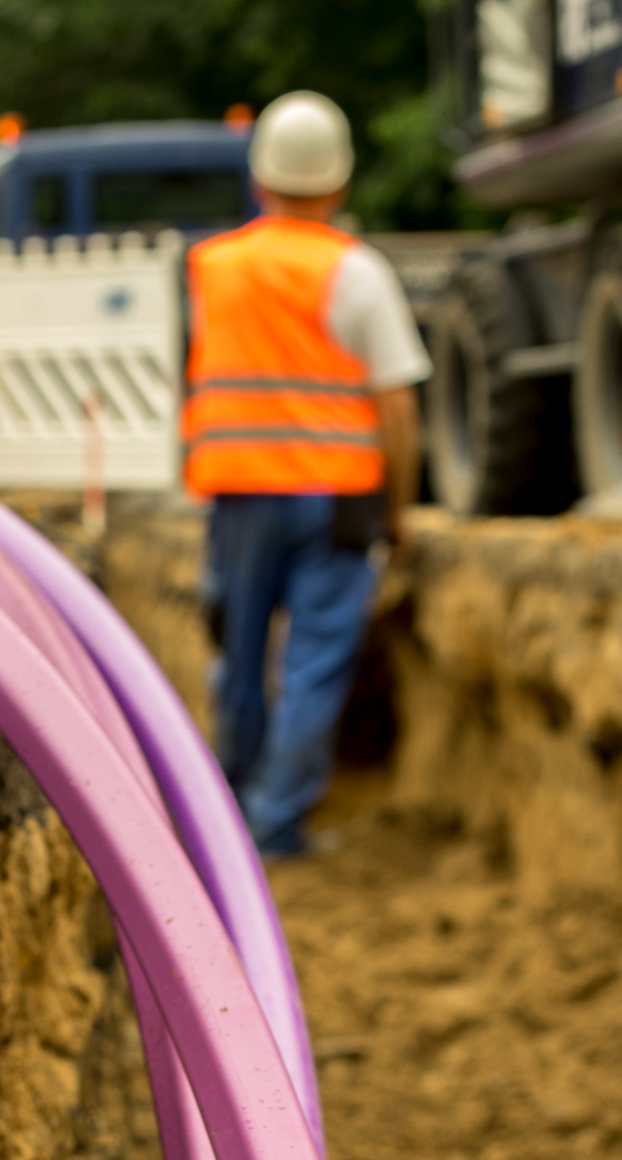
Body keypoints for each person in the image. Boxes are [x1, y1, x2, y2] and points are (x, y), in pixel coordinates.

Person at [183, 91, 429, 858]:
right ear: (340, 184)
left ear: (260, 180)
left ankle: (229, 817)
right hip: (338, 496)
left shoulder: (213, 268)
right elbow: (397, 406)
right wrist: (402, 512)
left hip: (240, 491)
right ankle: (275, 824)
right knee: (315, 661)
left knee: (241, 657)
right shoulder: (357, 272)